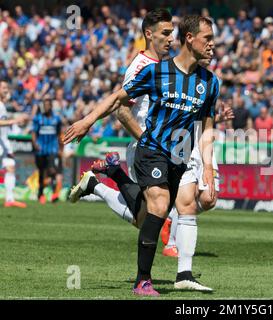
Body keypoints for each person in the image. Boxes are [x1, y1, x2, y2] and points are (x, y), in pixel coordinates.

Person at [64, 15, 218, 297]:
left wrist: (208, 165)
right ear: (190, 39)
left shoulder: (209, 82)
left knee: (146, 215)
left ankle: (107, 179)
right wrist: (87, 121)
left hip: (179, 158)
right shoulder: (156, 72)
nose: (212, 45)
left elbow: (207, 128)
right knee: (160, 205)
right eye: (207, 38)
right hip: (150, 149)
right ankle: (143, 281)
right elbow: (117, 100)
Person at [0, 80, 27, 208]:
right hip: (1, 144)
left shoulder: (3, 105)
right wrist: (14, 121)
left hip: (4, 143)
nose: (6, 89)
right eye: (4, 87)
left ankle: (9, 199)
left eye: (7, 87)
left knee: (10, 167)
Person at [31, 97, 63, 204]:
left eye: (48, 105)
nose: (47, 107)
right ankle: (41, 194)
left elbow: (59, 134)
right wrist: (35, 144)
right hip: (41, 149)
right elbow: (34, 132)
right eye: (45, 105)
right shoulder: (38, 118)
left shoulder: (57, 119)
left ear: (51, 106)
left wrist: (61, 148)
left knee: (52, 170)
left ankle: (54, 193)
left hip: (52, 148)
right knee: (41, 172)